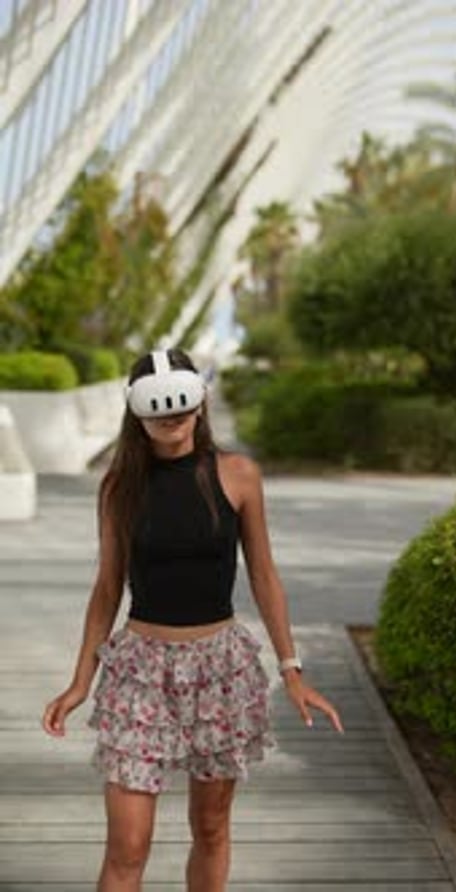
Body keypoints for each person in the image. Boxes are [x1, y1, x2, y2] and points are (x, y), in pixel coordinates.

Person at [42, 348, 344, 892]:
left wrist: (292, 670)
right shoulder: (119, 488)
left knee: (210, 826)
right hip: (140, 674)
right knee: (127, 846)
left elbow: (264, 576)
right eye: (158, 414)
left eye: (180, 411)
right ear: (138, 415)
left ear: (199, 404)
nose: (171, 422)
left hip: (221, 671)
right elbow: (108, 588)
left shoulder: (238, 475)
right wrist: (80, 682)